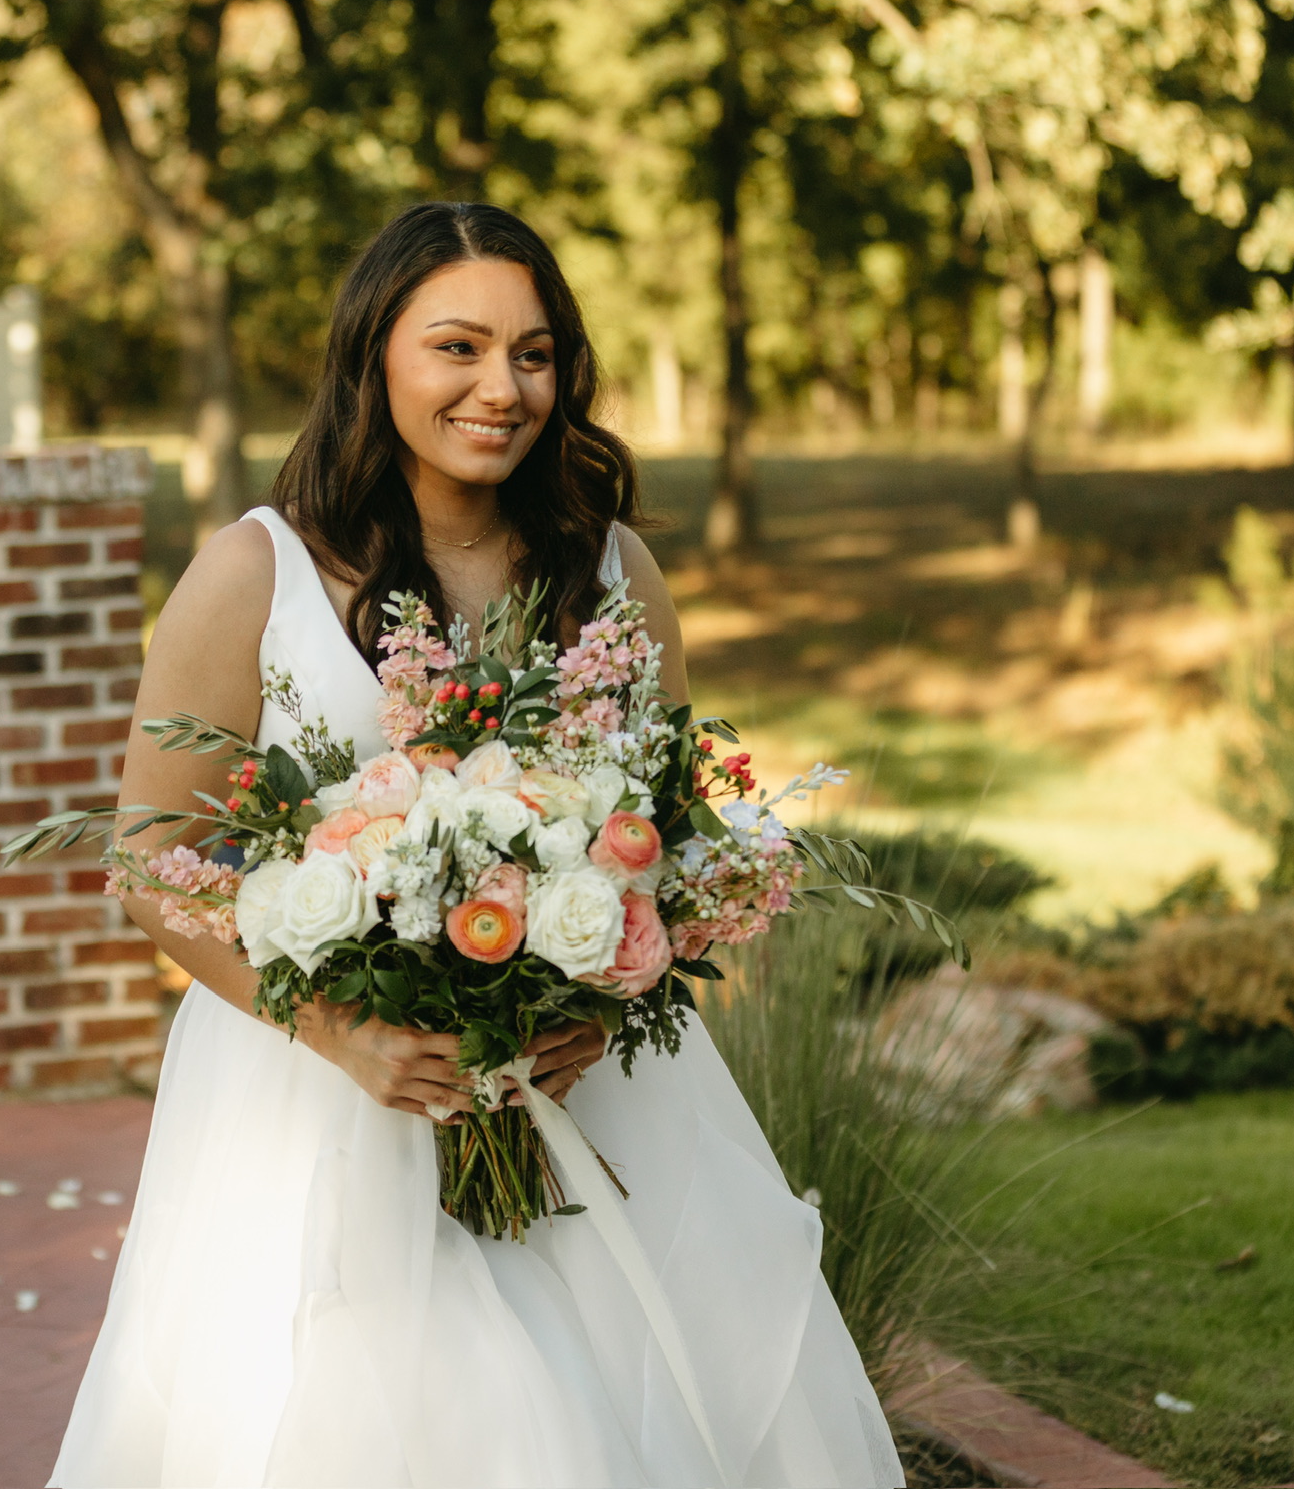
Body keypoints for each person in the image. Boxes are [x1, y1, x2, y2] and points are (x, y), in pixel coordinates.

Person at [47, 202, 903, 1489]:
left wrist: (604, 1009)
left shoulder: (612, 572)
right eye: (458, 347)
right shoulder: (253, 572)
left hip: (593, 1104)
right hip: (325, 1107)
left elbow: (672, 841)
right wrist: (344, 1032)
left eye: (535, 353)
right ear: (373, 355)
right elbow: (152, 861)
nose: (501, 388)